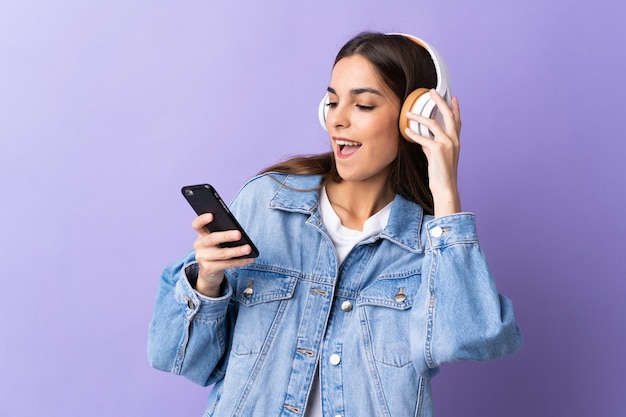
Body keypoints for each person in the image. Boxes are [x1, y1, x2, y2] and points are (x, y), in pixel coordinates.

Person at [148, 31, 523, 417]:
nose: (338, 119)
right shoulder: (268, 203)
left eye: (362, 105)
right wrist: (206, 283)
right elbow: (178, 358)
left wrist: (446, 192)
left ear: (417, 118)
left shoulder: (431, 245)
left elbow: (472, 340)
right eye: (331, 101)